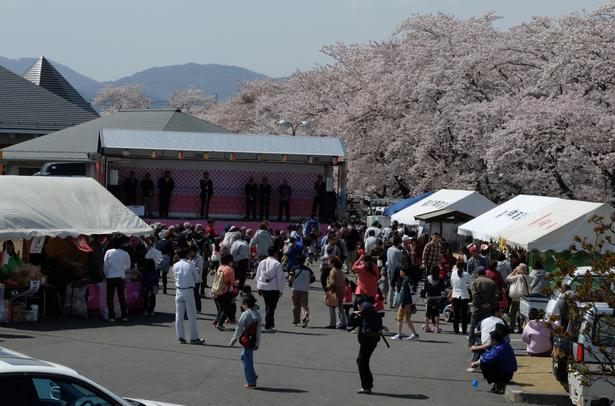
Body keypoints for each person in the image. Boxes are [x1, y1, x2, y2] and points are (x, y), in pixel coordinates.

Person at [470, 323, 517, 394]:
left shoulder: (500, 348)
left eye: (491, 340)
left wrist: (475, 363)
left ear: (494, 340)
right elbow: (486, 355)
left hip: (507, 374)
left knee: (485, 364)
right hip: (506, 371)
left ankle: (499, 383)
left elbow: (486, 359)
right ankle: (498, 382)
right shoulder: (500, 345)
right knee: (486, 361)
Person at [348, 295, 382, 394]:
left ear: (358, 304)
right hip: (373, 338)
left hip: (368, 339)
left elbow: (350, 324)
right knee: (363, 360)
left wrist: (354, 314)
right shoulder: (369, 307)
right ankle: (368, 383)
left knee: (361, 360)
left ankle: (366, 386)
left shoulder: (364, 308)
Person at [229, 294, 262, 389]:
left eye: (242, 304)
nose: (241, 305)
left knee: (247, 361)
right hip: (253, 340)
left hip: (246, 340)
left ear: (245, 304)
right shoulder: (258, 314)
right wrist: (257, 343)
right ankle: (253, 375)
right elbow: (259, 331)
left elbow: (238, 328)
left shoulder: (245, 314)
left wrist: (233, 340)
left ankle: (251, 382)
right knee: (244, 356)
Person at [173, 247, 205, 344]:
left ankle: (180, 337)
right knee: (192, 315)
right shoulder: (190, 265)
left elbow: (175, 277)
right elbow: (196, 278)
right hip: (188, 290)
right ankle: (194, 338)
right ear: (187, 255)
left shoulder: (175, 265)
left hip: (179, 290)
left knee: (179, 315)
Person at [255, 246, 285, 331]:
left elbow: (258, 275)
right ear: (275, 253)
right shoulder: (277, 263)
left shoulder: (262, 262)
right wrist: (281, 290)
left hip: (263, 287)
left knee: (268, 305)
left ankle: (271, 324)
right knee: (271, 307)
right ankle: (268, 325)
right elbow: (280, 278)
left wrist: (258, 286)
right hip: (273, 288)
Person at [469, 266, 499, 346]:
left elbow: (474, 295)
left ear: (477, 273)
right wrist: (489, 304)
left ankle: (471, 342)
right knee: (487, 325)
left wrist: (480, 304)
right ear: (485, 273)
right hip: (488, 308)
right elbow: (496, 295)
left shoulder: (475, 282)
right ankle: (486, 341)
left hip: (477, 307)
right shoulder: (492, 282)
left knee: (473, 324)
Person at [103, 237, 131, 322]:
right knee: (121, 297)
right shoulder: (125, 253)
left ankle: (112, 316)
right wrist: (122, 269)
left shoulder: (108, 252)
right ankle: (124, 316)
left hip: (111, 277)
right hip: (121, 277)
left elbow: (105, 266)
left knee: (110, 297)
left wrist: (107, 275)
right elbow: (128, 266)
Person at [391, 268, 419, 340]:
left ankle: (399, 335)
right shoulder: (410, 280)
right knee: (408, 319)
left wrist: (402, 303)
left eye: (400, 271)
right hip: (409, 302)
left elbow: (404, 294)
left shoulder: (405, 281)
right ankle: (414, 334)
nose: (400, 273)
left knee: (399, 318)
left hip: (405, 302)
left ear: (403, 272)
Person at [213, 253, 237, 331]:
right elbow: (232, 282)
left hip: (217, 289)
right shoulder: (230, 269)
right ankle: (220, 324)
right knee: (226, 309)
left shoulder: (220, 267)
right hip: (225, 291)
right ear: (229, 260)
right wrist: (237, 284)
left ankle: (217, 320)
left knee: (221, 307)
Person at [289, 255, 314, 327]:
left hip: (296, 288)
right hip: (305, 289)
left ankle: (296, 321)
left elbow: (290, 278)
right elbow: (313, 279)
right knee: (304, 305)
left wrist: (293, 282)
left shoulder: (294, 268)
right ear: (304, 261)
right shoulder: (308, 270)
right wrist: (306, 282)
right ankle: (305, 316)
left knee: (295, 305)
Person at [507, 264, 530, 333]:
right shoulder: (528, 277)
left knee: (513, 314)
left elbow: (508, 278)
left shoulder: (518, 276)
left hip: (516, 298)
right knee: (522, 315)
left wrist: (513, 272)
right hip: (524, 299)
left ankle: (512, 327)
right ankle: (521, 328)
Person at [450, 260, 471, 334]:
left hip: (455, 295)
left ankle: (456, 330)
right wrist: (466, 286)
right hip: (464, 296)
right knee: (464, 314)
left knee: (456, 314)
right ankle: (464, 330)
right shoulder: (466, 274)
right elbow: (471, 285)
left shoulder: (453, 273)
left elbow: (452, 284)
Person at [326, 256, 347, 329]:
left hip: (334, 291)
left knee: (332, 307)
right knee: (341, 308)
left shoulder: (333, 271)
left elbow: (332, 282)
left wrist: (327, 288)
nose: (328, 263)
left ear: (333, 263)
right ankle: (344, 323)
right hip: (342, 291)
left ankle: (332, 324)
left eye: (329, 262)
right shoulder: (340, 270)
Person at [424, 267, 444, 333]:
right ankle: (436, 328)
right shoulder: (440, 278)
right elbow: (443, 288)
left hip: (430, 298)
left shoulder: (428, 278)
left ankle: (426, 327)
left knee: (428, 313)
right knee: (437, 313)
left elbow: (425, 288)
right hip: (438, 298)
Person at [386, 236, 403, 308]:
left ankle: (389, 303)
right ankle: (395, 303)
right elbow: (401, 261)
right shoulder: (398, 252)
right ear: (399, 243)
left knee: (391, 287)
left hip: (389, 269)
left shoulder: (389, 249)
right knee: (397, 287)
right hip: (397, 271)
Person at [155, 230, 174, 294]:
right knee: (164, 275)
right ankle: (164, 289)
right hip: (166, 257)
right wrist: (171, 261)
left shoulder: (159, 242)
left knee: (157, 274)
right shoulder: (169, 242)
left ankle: (156, 288)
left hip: (159, 257)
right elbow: (172, 252)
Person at [188, 246, 204, 313]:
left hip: (196, 279)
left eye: (191, 252)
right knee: (190, 294)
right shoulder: (189, 257)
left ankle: (198, 308)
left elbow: (199, 269)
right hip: (189, 278)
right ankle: (192, 307)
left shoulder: (199, 258)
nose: (190, 253)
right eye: (189, 252)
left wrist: (190, 268)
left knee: (196, 294)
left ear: (194, 251)